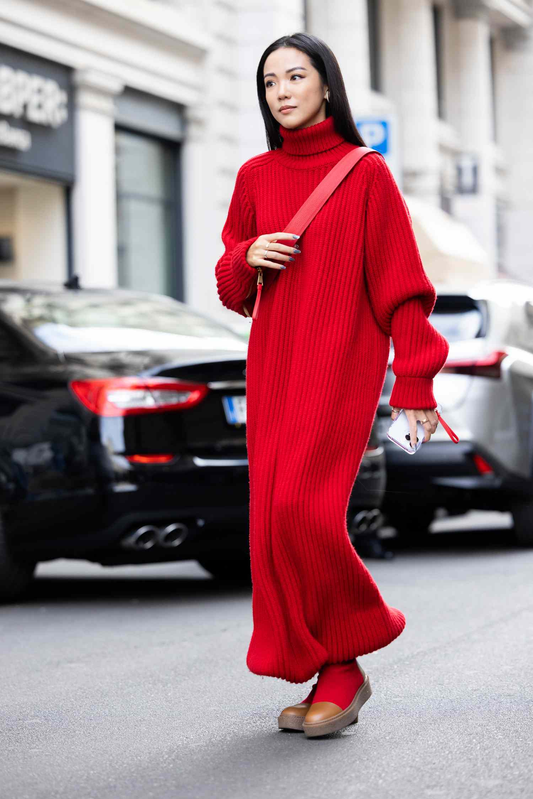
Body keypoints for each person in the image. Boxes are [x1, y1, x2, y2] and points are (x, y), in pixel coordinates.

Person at [215, 32, 450, 738]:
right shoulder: (255, 175)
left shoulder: (364, 173)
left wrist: (414, 381)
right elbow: (231, 283)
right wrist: (247, 253)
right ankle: (331, 667)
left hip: (339, 367)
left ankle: (349, 655)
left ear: (325, 85)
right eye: (268, 82)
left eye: (294, 76)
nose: (281, 91)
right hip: (273, 366)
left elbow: (402, 288)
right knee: (271, 522)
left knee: (301, 510)